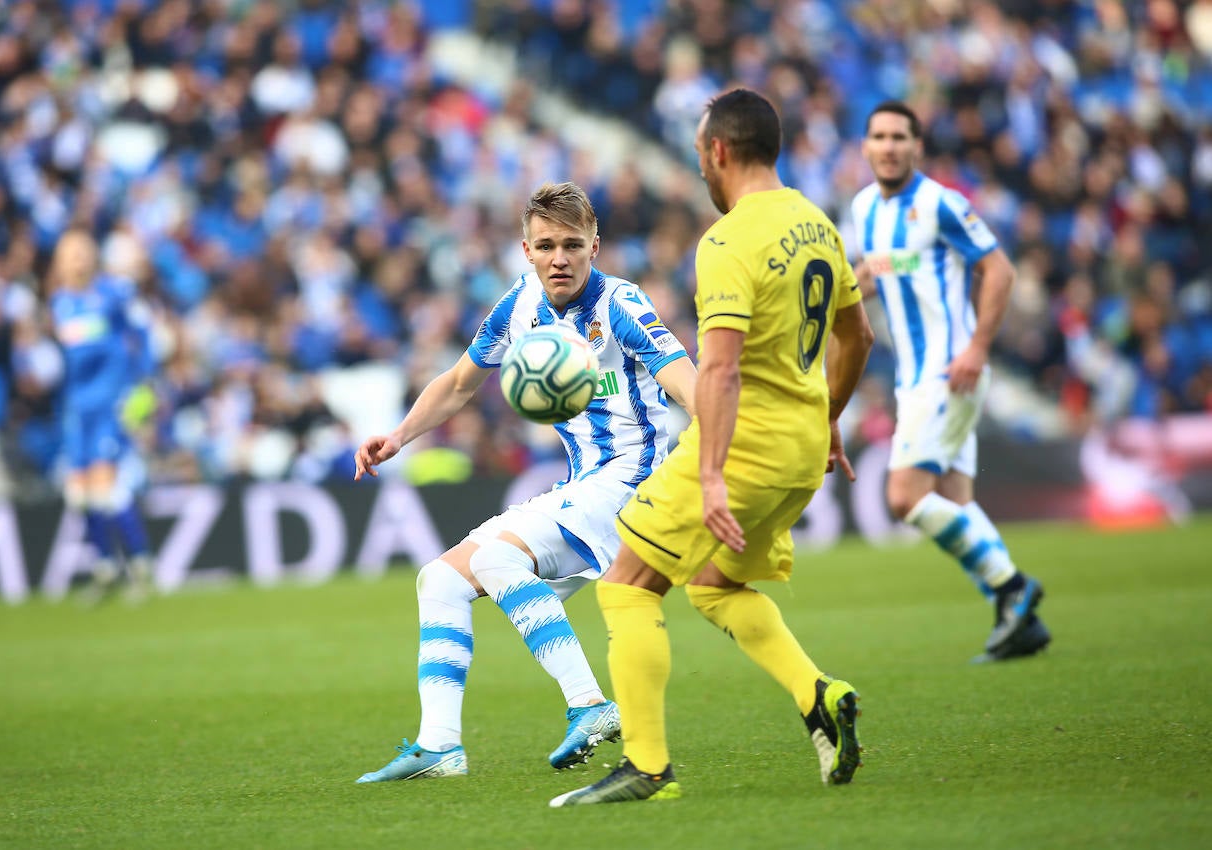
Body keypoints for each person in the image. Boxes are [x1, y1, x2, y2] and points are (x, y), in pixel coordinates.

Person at [551, 88, 876, 807]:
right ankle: (817, 695)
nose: (700, 164)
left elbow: (720, 368)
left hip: (743, 449)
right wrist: (829, 419)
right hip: (799, 452)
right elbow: (859, 337)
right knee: (714, 584)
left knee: (626, 585)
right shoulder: (816, 223)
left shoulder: (728, 242)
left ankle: (647, 766)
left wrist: (711, 473)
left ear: (719, 151)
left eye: (701, 152)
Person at [354, 182, 697, 782]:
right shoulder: (519, 307)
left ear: (596, 245)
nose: (559, 257)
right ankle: (440, 747)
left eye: (572, 244)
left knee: (495, 563)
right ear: (526, 250)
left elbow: (686, 383)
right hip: (585, 481)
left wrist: (720, 454)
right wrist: (400, 436)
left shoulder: (622, 304)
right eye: (546, 246)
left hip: (633, 479)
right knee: (438, 580)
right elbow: (461, 382)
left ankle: (590, 705)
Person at [849, 101, 1050, 663]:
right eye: (879, 136)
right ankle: (1018, 618)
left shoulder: (941, 204)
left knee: (904, 496)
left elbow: (999, 268)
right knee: (953, 501)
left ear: (916, 146)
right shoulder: (864, 209)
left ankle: (1012, 587)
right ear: (865, 146)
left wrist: (978, 347)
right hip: (914, 379)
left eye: (899, 137)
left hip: (949, 371)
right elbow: (879, 271)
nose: (888, 146)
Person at [50, 229, 156, 601]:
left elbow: (142, 335)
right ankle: (106, 566)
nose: (76, 260)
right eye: (69, 253)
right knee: (78, 495)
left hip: (110, 402)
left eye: (82, 252)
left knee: (106, 488)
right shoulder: (59, 302)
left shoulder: (113, 294)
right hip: (77, 407)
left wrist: (143, 387)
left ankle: (140, 566)